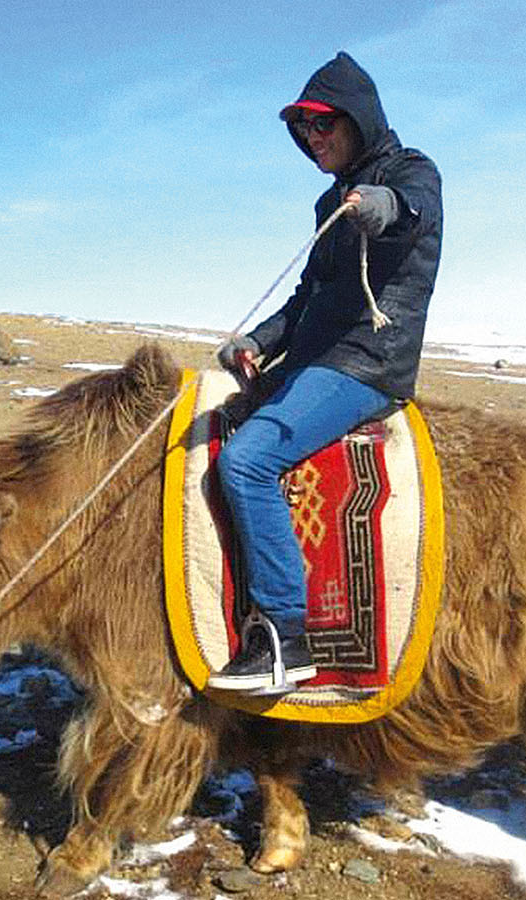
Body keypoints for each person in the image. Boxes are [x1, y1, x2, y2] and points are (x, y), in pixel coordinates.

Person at [206, 52, 443, 694]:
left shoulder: (411, 172)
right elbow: (306, 298)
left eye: (323, 123)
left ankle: (285, 637)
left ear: (358, 119)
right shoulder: (328, 202)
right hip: (315, 361)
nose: (313, 138)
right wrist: (257, 342)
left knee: (248, 462)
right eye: (303, 128)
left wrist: (382, 207)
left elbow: (414, 211)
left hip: (365, 364)